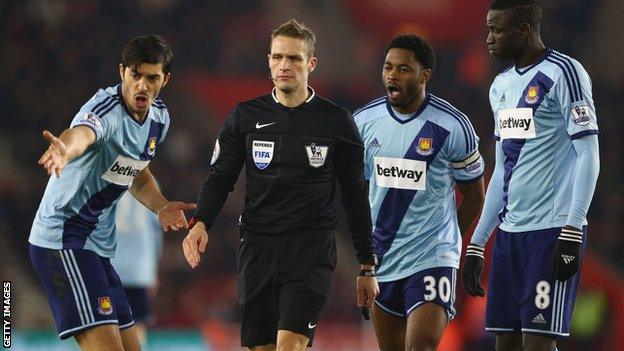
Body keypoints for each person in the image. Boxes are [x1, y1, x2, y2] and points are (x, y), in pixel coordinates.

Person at [181, 19, 379, 350]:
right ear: (269, 60)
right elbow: (220, 178)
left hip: (310, 249)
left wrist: (367, 264)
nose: (284, 65)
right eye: (277, 57)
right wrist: (201, 221)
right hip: (258, 248)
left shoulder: (336, 121)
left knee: (289, 345)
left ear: (311, 63)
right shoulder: (245, 116)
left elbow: (355, 196)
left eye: (295, 58)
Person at [29, 35, 196, 351]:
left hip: (97, 248)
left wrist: (159, 206)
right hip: (63, 241)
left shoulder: (159, 119)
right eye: (135, 75)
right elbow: (83, 134)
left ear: (166, 79)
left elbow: (138, 173)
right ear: (122, 72)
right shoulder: (106, 110)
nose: (142, 85)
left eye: (152, 77)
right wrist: (65, 149)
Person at [461, 1, 600, 350]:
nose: (489, 38)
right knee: (504, 345)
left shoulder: (565, 72)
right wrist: (479, 242)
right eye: (487, 29)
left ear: (523, 30)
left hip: (552, 232)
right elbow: (502, 170)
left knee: (537, 344)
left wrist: (573, 226)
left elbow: (588, 153)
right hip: (510, 237)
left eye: (496, 29)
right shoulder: (500, 86)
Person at [354, 34, 485, 351]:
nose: (392, 75)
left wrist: (446, 243)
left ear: (424, 75)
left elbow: (475, 197)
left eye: (403, 69)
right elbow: (357, 196)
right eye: (388, 67)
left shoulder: (452, 126)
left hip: (432, 258)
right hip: (382, 259)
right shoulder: (363, 122)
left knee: (421, 346)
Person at [110, 192, 164, 347]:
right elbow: (156, 233)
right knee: (137, 325)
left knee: (96, 324)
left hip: (109, 265)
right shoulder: (149, 183)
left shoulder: (105, 179)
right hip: (140, 269)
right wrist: (152, 271)